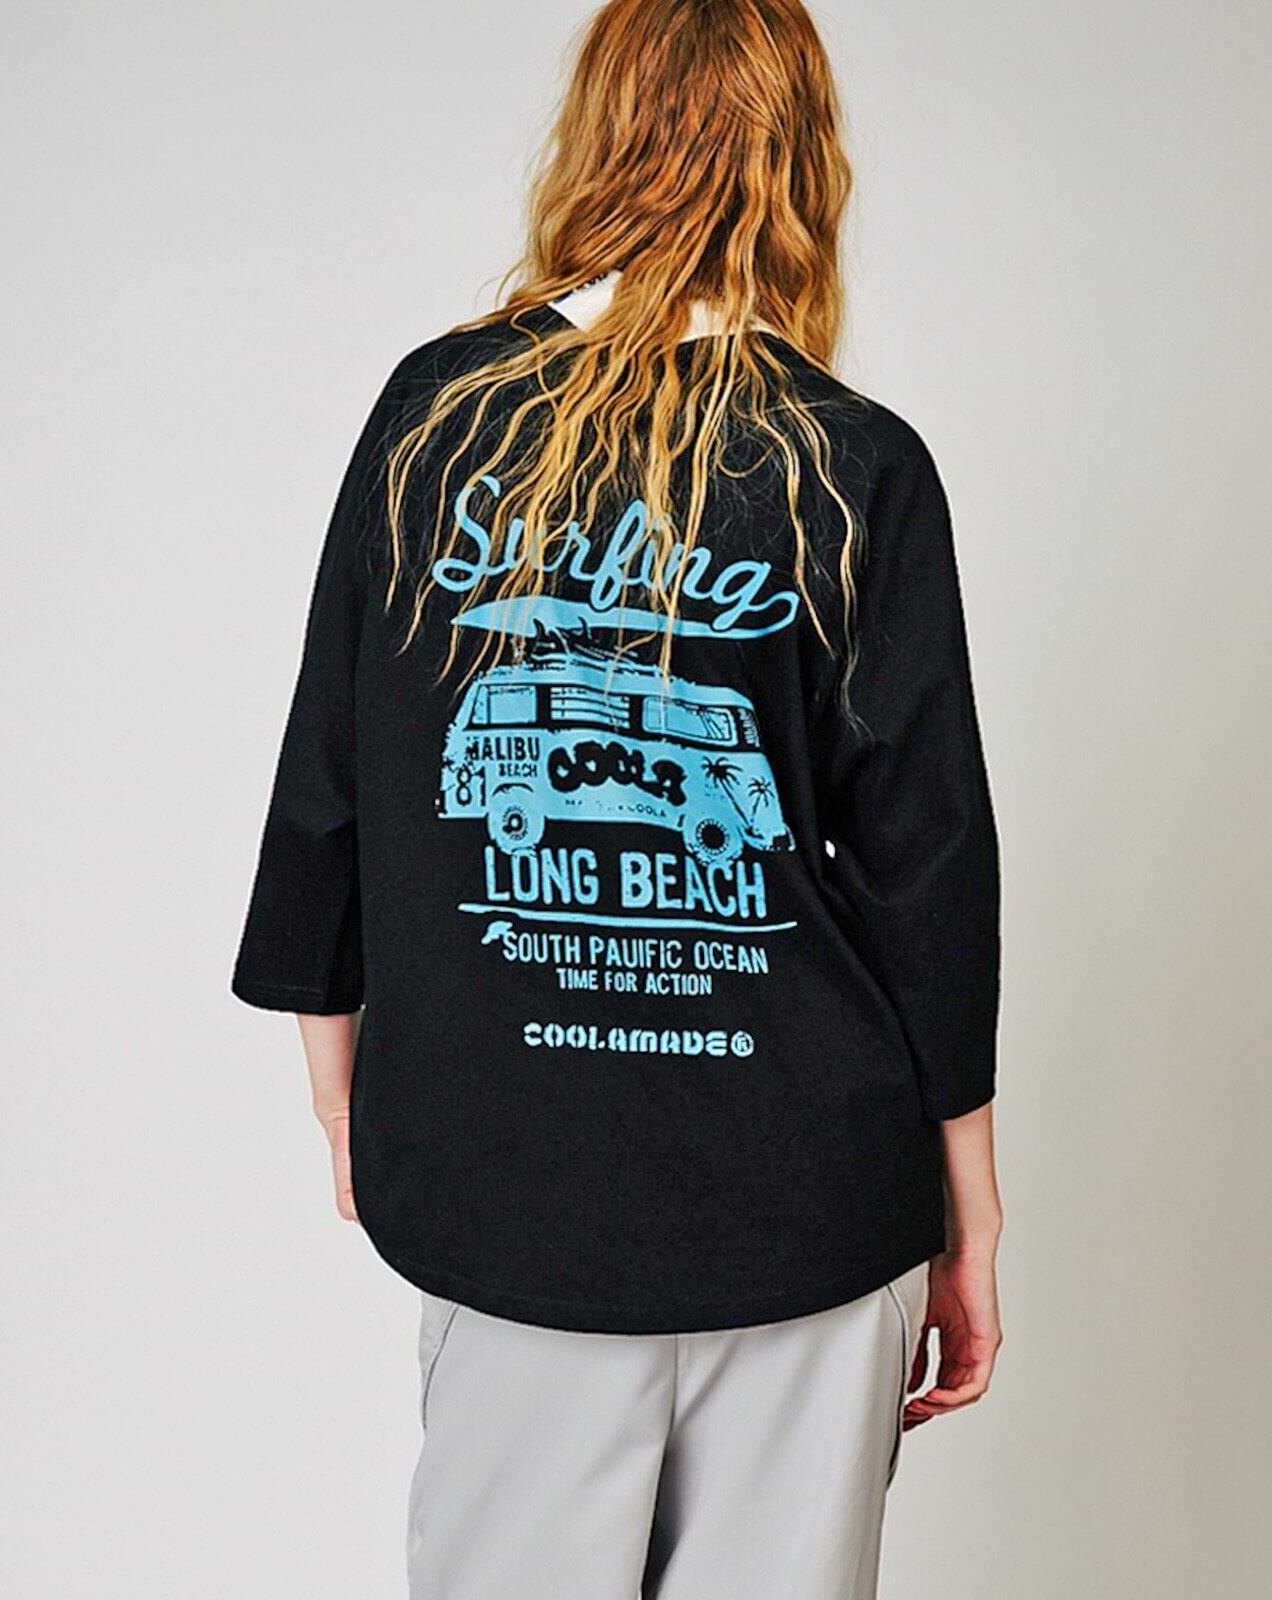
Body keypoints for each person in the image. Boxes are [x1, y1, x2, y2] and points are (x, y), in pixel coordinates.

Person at [233, 1, 1003, 1594]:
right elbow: (930, 872)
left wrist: (354, 1098)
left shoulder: (436, 420)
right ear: (804, 166)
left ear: (595, 137)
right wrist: (969, 1216)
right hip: (811, 1188)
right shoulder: (846, 460)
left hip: (510, 1182)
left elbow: (328, 788)